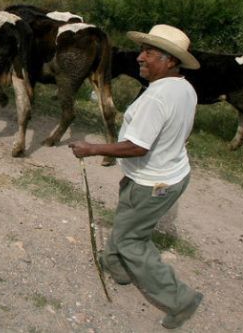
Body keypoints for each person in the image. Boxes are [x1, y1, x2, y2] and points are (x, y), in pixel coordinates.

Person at [69, 24, 203, 329]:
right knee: (128, 218)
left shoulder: (156, 99)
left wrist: (91, 149)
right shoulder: (184, 87)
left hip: (153, 182)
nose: (140, 57)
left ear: (170, 61)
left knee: (132, 239)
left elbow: (137, 147)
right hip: (168, 173)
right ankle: (115, 264)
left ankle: (180, 300)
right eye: (142, 50)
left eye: (149, 53)